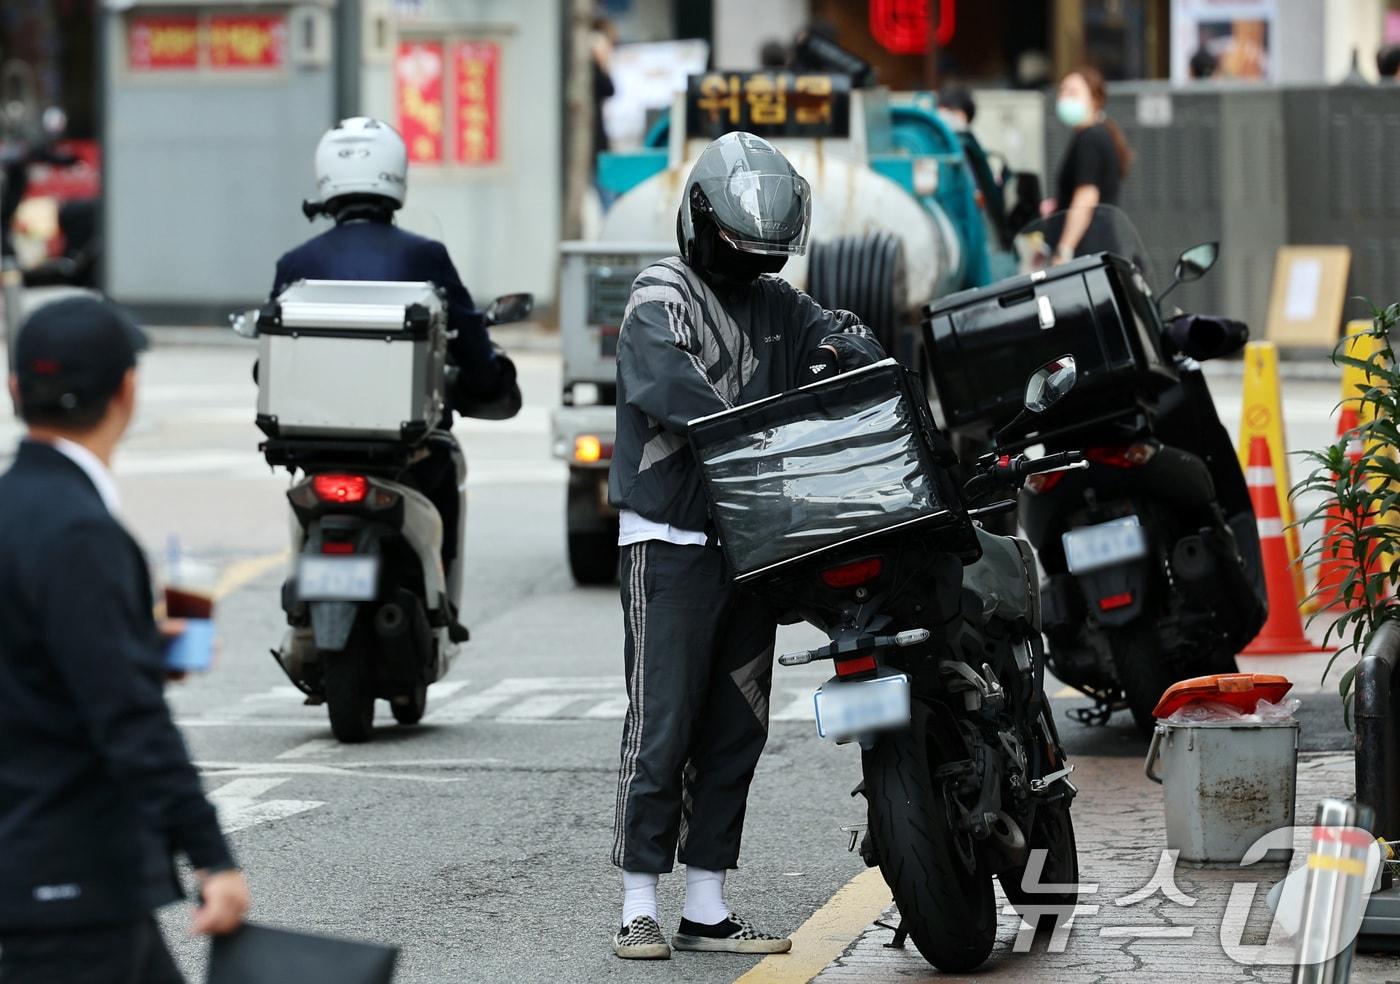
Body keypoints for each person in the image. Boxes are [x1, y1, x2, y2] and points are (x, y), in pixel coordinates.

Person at [607, 132, 884, 960]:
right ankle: (635, 905)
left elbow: (843, 333)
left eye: (768, 252)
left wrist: (837, 353)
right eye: (741, 245)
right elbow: (674, 392)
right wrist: (773, 427)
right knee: (663, 726)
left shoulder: (774, 299)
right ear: (700, 217)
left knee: (737, 727)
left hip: (750, 547)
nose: (755, 264)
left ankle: (706, 905)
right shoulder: (661, 293)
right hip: (672, 540)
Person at [0, 295, 251, 983]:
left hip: (38, 876)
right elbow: (128, 718)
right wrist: (212, 857)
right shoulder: (83, 534)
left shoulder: (15, 508)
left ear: (16, 388)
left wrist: (130, 645)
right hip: (68, 884)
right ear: (128, 391)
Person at [271, 117, 519, 604]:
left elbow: (269, 361)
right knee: (444, 470)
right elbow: (471, 340)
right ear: (396, 176)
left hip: (314, 449)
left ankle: (302, 610)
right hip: (405, 454)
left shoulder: (296, 264)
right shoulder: (425, 257)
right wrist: (487, 380)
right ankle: (438, 603)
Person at [1045, 66, 1133, 262]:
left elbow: (1086, 197)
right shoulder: (1096, 134)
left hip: (1088, 251)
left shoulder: (1090, 139)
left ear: (1094, 99)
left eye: (1073, 92)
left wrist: (1064, 249)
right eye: (1062, 91)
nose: (1064, 97)